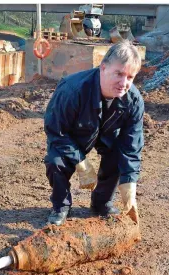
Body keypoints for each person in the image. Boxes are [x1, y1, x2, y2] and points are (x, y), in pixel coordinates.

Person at [44, 40, 144, 226]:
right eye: (119, 74)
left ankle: (101, 203)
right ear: (103, 67)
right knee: (55, 160)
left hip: (106, 133)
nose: (124, 83)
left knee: (118, 155)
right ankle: (61, 206)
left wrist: (129, 189)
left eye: (130, 77)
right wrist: (82, 164)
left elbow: (132, 146)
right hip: (73, 135)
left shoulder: (134, 101)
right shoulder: (72, 90)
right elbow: (56, 131)